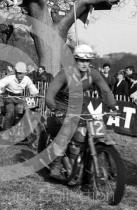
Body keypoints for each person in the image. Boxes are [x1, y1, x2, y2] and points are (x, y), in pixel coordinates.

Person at [45, 44, 118, 181]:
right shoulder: (65, 73)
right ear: (75, 60)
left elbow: (105, 90)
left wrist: (113, 106)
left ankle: (98, 164)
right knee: (66, 132)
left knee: (93, 130)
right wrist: (54, 109)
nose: (85, 64)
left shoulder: (94, 74)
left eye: (87, 61)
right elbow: (50, 94)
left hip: (80, 105)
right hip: (61, 105)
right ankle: (55, 166)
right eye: (81, 60)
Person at [0, 61, 39, 129]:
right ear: (15, 72)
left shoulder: (27, 79)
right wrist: (1, 92)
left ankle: (21, 130)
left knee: (22, 112)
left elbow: (31, 87)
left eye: (22, 74)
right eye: (18, 73)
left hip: (20, 98)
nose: (20, 76)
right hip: (9, 98)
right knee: (10, 112)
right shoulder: (10, 78)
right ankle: (6, 131)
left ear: (25, 73)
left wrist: (35, 93)